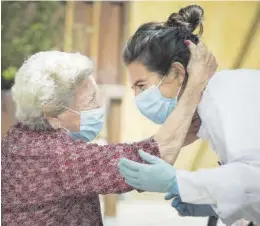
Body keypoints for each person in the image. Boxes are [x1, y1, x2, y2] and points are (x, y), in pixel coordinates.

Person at [1, 48, 216, 225]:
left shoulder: (19, 137)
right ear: (52, 112)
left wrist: (185, 132)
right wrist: (195, 85)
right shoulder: (57, 157)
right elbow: (149, 159)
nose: (98, 107)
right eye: (90, 101)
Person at [119, 4, 260, 226]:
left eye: (142, 86)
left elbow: (255, 179)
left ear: (176, 72)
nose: (138, 98)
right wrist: (214, 203)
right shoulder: (214, 107)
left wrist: (179, 182)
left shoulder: (229, 96)